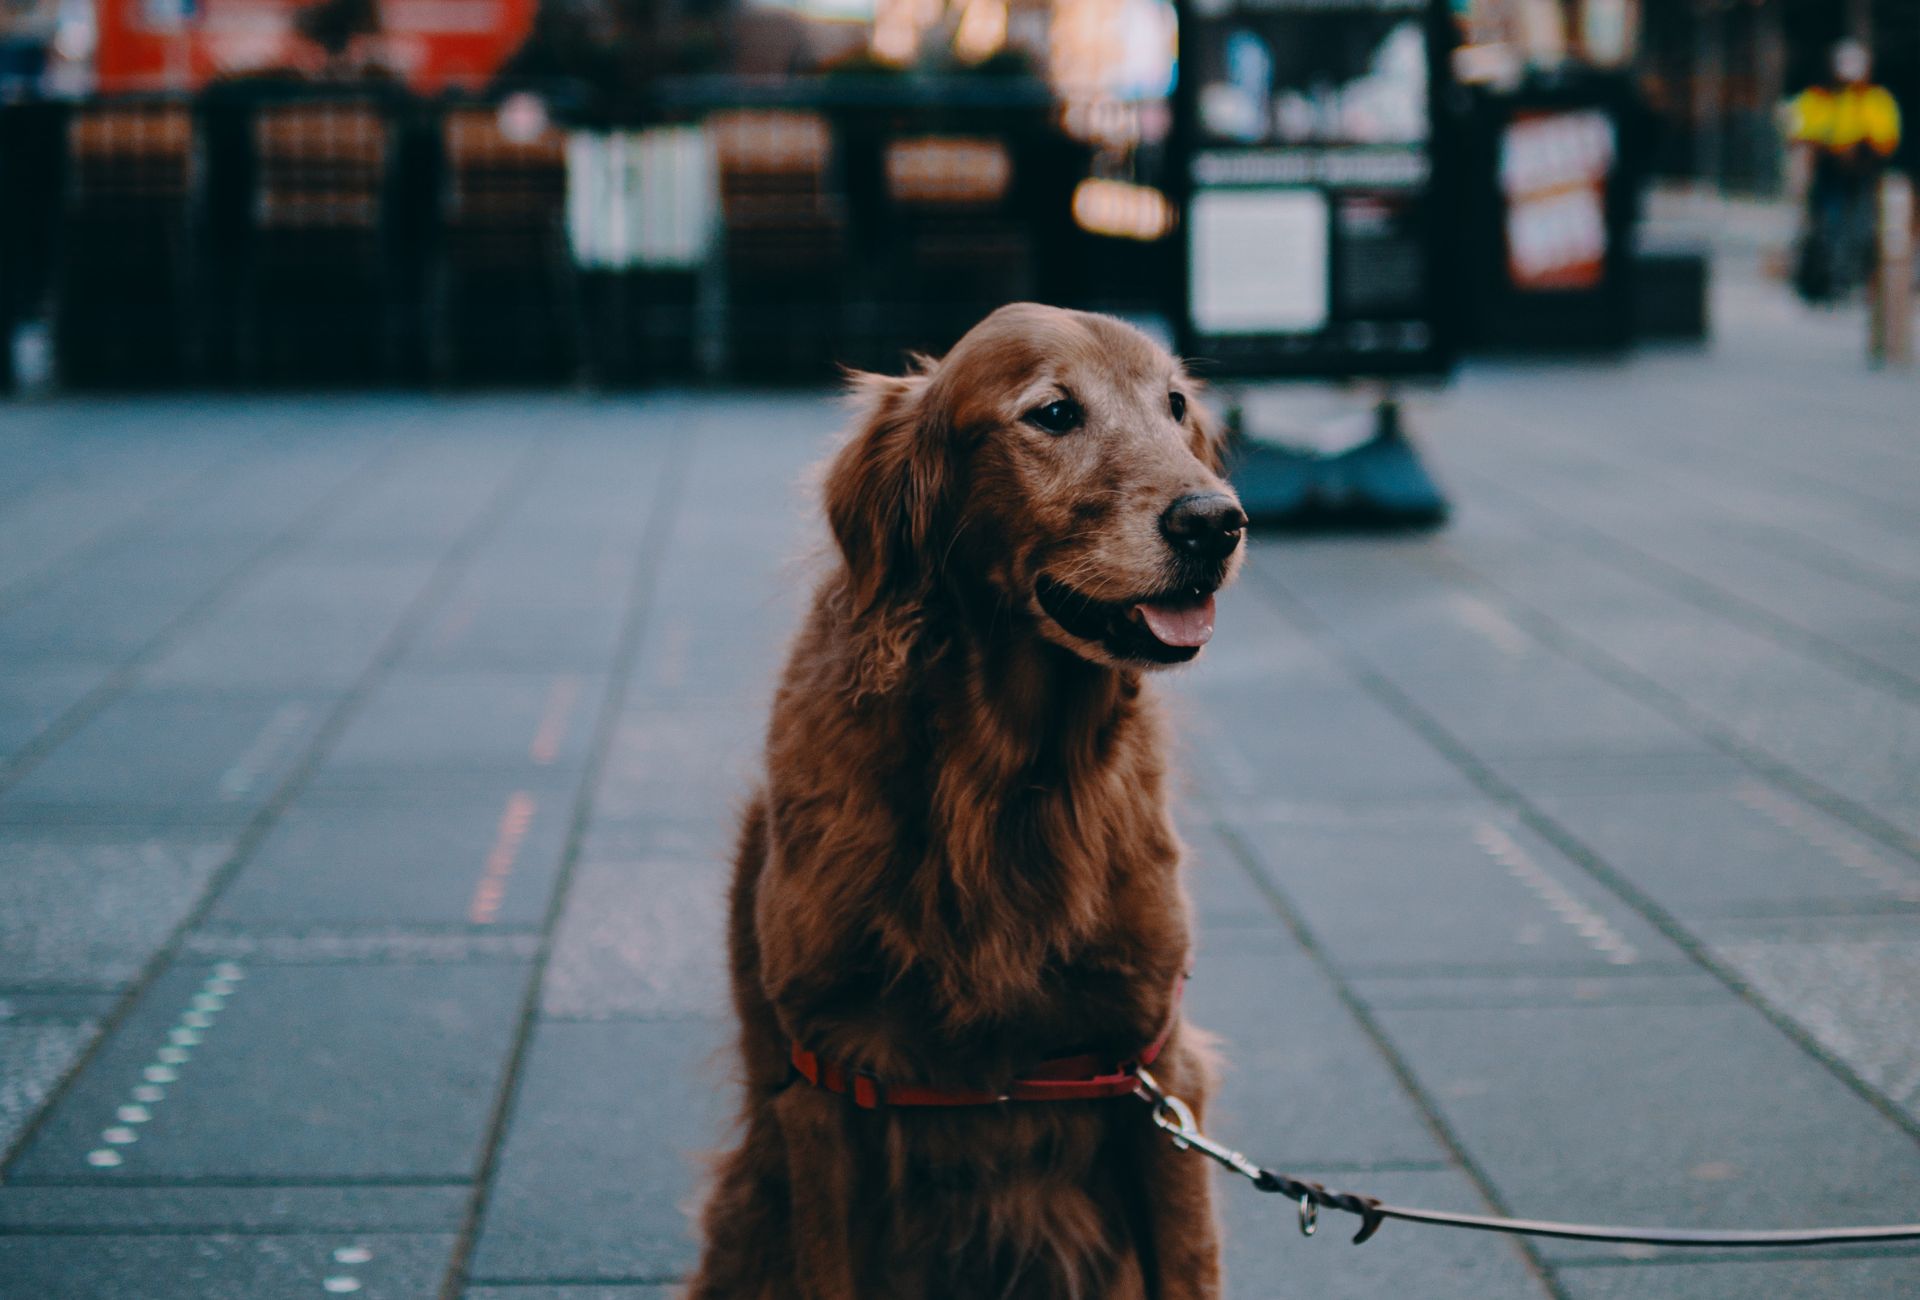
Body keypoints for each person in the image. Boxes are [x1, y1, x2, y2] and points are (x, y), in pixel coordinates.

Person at [1787, 40, 1902, 303]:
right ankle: (1830, 280)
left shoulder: (1875, 100)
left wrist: (1859, 149)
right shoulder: (1818, 98)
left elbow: (1886, 141)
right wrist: (1828, 148)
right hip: (1828, 177)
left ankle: (1855, 280)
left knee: (1861, 229)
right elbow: (1799, 133)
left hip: (1861, 178)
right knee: (1828, 229)